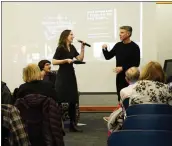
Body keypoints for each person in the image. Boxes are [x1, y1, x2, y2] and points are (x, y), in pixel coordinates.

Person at [52, 29, 85, 132]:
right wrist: (65, 60)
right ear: (65, 36)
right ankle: (58, 125)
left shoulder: (72, 47)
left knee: (72, 100)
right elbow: (54, 61)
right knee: (60, 100)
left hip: (71, 75)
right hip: (62, 76)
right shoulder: (60, 48)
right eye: (71, 34)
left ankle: (72, 124)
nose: (73, 36)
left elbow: (79, 59)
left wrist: (82, 48)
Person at [102, 26, 140, 104]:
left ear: (128, 34)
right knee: (120, 97)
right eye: (120, 32)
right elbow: (108, 56)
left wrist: (123, 68)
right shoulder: (118, 45)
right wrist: (104, 49)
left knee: (130, 98)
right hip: (120, 77)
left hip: (131, 77)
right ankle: (121, 114)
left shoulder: (135, 47)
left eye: (122, 32)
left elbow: (136, 63)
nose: (120, 34)